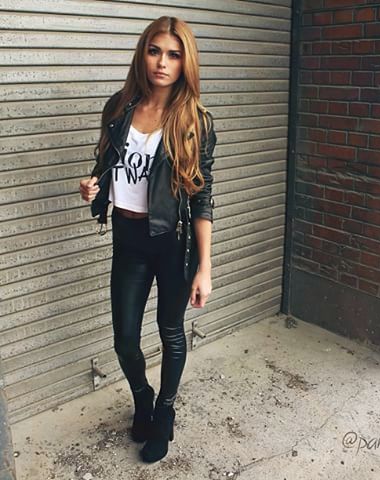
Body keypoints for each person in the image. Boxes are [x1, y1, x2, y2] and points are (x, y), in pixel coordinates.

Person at [78, 15, 217, 463]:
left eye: (174, 55)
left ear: (185, 63)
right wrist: (92, 186)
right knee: (124, 340)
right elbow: (106, 165)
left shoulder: (195, 121)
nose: (162, 62)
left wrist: (204, 268)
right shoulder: (119, 107)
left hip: (172, 243)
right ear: (143, 53)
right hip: (128, 237)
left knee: (170, 331)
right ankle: (143, 396)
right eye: (155, 51)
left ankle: (165, 412)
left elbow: (201, 197)